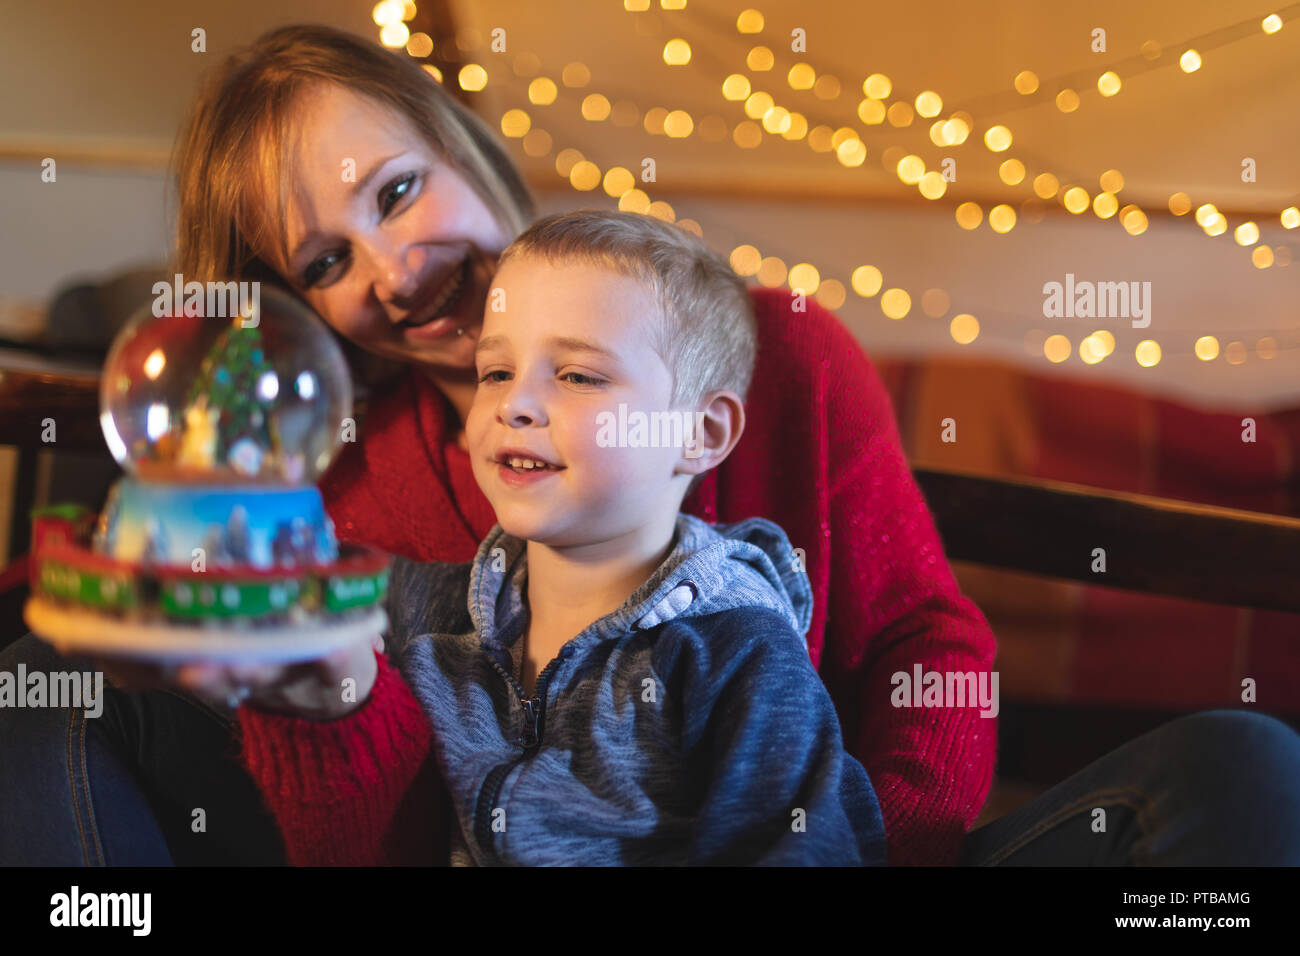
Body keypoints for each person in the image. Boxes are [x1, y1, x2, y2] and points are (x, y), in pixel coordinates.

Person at [2, 23, 1297, 867]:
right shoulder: (337, 498)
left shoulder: (767, 351)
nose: (396, 269)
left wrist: (883, 848)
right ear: (298, 308)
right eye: (328, 260)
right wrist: (330, 697)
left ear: (464, 147)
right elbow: (375, 840)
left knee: (1238, 771)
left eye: (399, 190)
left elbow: (928, 648)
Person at [369, 207, 886, 864]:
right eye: (495, 372)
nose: (513, 404)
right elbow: (283, 596)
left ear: (700, 433)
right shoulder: (436, 610)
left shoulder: (737, 653)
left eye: (578, 376)